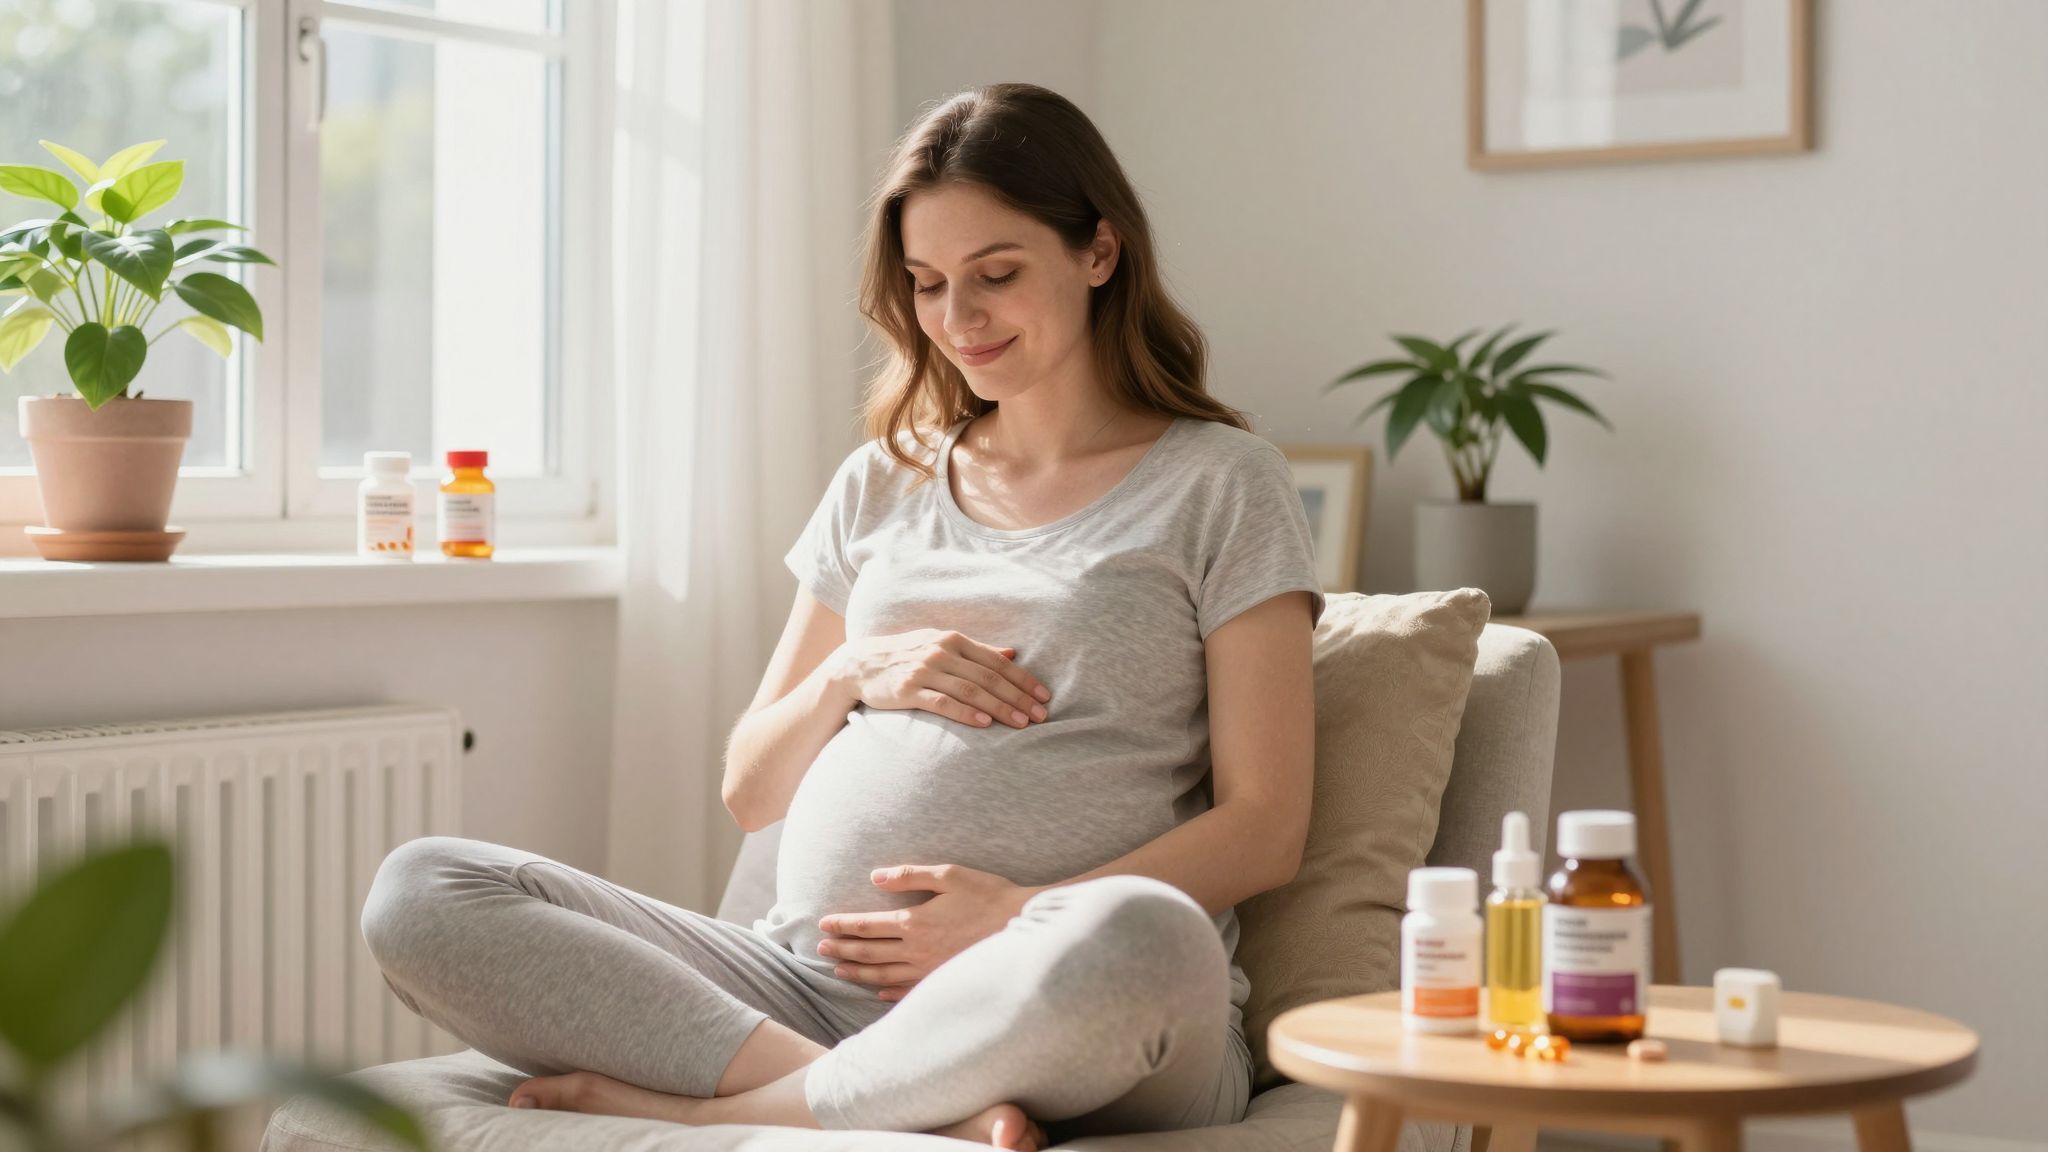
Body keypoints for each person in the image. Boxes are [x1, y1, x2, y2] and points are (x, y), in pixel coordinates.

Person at [360, 82, 1323, 1151]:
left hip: (1057, 984)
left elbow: (1265, 826)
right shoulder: (882, 481)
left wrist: (1018, 915)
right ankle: (895, 1100)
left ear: (1098, 253)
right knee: (422, 892)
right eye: (926, 284)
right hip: (797, 988)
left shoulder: (1222, 482)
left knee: (1143, 941)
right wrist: (849, 674)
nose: (959, 320)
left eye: (996, 275)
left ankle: (719, 1111)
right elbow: (749, 787)